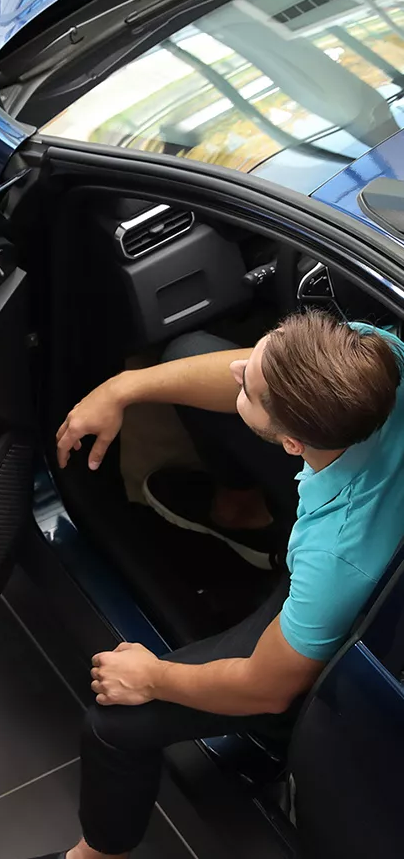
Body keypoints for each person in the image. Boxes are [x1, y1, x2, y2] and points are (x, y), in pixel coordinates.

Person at [27, 310, 404, 859]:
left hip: (345, 579)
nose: (236, 368)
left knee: (117, 721)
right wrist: (122, 388)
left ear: (293, 444)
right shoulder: (375, 357)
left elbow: (267, 686)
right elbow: (242, 370)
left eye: (248, 387)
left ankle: (95, 856)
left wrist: (153, 677)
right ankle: (241, 514)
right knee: (185, 352)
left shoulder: (333, 559)